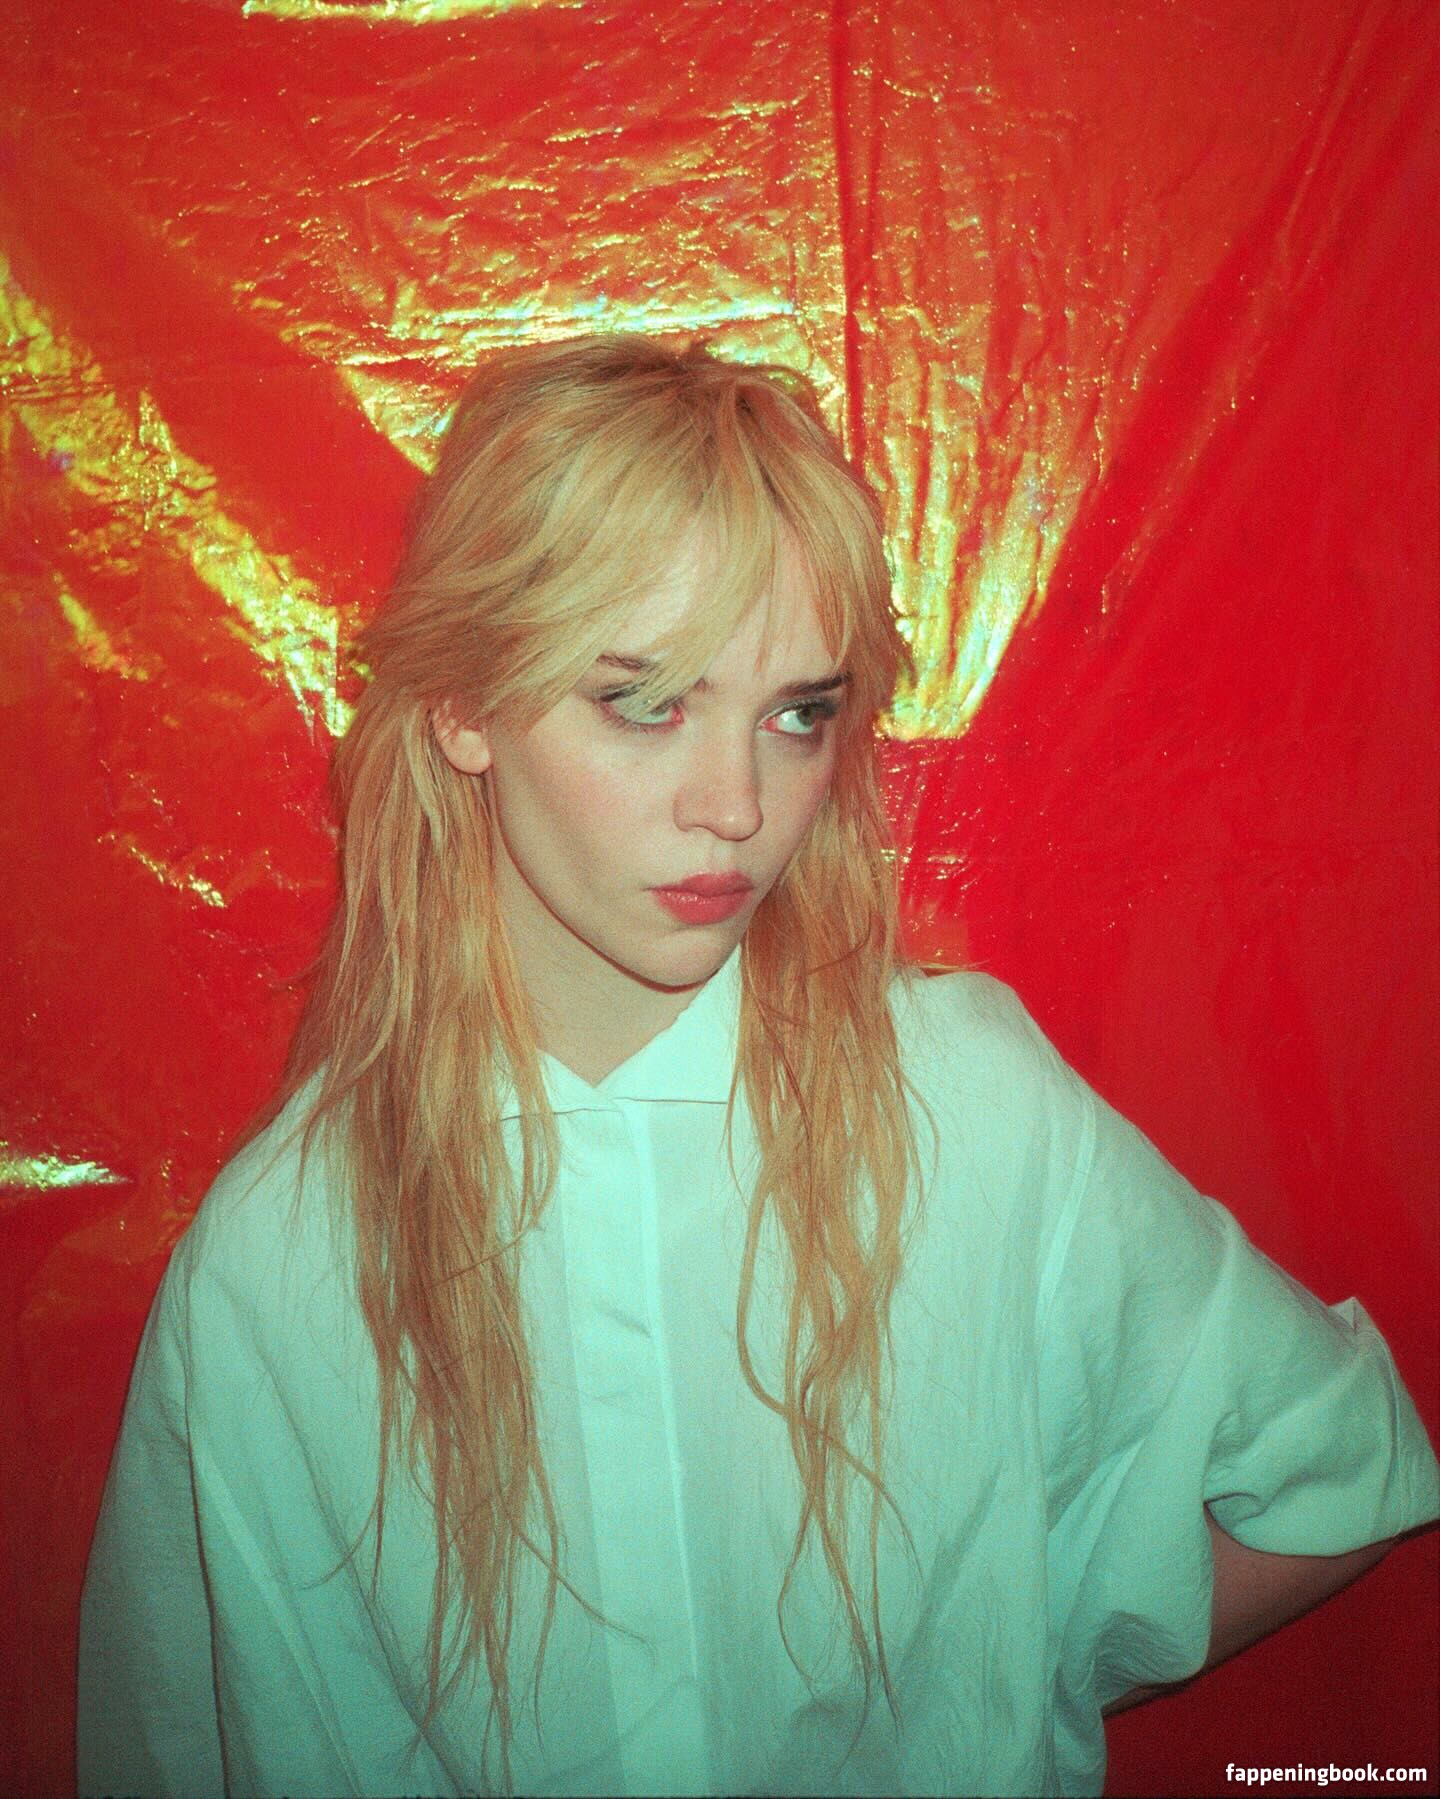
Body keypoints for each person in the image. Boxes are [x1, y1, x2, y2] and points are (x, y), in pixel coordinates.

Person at [77, 335, 1439, 1799]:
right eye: (645, 700)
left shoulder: (965, 1104)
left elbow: (1334, 1463)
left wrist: (999, 1693)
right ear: (462, 705)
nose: (735, 805)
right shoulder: (285, 1253)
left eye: (798, 714)